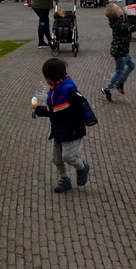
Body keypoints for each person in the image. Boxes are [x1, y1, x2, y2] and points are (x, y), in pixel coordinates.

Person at [30, 57, 97, 193]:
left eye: (46, 77)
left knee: (69, 157)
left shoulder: (68, 90)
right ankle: (65, 179)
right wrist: (38, 110)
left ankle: (82, 168)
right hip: (59, 131)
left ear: (50, 78)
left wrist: (89, 117)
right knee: (56, 158)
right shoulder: (54, 91)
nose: (45, 80)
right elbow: (53, 111)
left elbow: (82, 102)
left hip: (72, 130)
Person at [102, 3, 135, 101]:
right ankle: (108, 88)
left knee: (132, 65)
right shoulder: (119, 24)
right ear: (117, 15)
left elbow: (126, 22)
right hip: (120, 51)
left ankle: (120, 82)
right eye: (119, 9)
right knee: (119, 70)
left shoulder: (117, 21)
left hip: (123, 49)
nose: (121, 9)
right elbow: (130, 27)